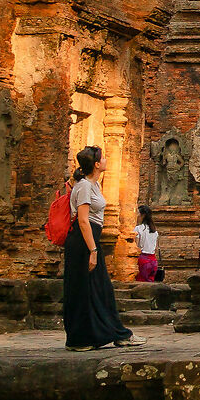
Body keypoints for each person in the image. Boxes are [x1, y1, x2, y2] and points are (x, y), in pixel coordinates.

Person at [62, 146, 135, 351]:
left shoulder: (93, 185)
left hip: (90, 240)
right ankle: (79, 339)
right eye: (103, 158)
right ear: (96, 164)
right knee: (83, 289)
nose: (106, 160)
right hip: (83, 242)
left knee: (99, 289)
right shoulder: (84, 186)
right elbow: (83, 220)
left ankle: (113, 333)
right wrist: (93, 251)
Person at [133, 206, 162, 283]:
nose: (136, 216)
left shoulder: (138, 229)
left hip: (143, 261)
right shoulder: (154, 231)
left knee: (141, 285)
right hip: (153, 261)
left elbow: (136, 247)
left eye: (137, 213)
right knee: (150, 285)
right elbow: (155, 248)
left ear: (142, 215)